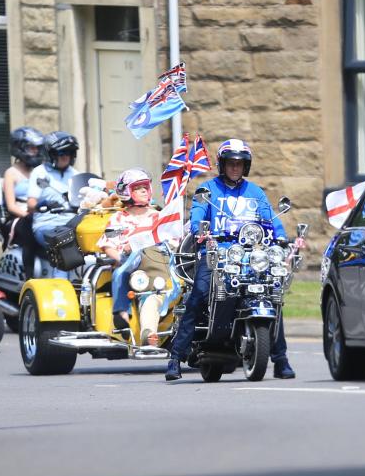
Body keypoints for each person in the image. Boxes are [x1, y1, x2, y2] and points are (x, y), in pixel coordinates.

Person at [166, 139, 299, 381]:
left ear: (245, 166)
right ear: (222, 165)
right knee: (199, 294)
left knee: (274, 295)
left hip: (251, 256)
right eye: (231, 163)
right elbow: (197, 215)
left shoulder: (255, 192)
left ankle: (280, 360)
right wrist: (200, 231)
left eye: (239, 164)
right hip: (217, 254)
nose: (235, 168)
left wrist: (281, 237)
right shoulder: (208, 190)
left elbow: (270, 219)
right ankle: (176, 357)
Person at [97, 168, 158, 332]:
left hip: (157, 263)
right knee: (119, 273)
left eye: (146, 186)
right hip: (130, 262)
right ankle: (121, 313)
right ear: (127, 192)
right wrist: (122, 259)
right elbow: (107, 244)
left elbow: (171, 241)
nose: (144, 190)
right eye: (138, 188)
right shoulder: (118, 219)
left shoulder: (157, 216)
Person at [27, 131, 80, 278]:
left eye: (69, 152)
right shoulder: (40, 173)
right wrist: (42, 204)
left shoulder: (75, 174)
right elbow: (30, 204)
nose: (65, 156)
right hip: (47, 225)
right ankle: (60, 291)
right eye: (61, 152)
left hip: (72, 225)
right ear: (51, 154)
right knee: (63, 244)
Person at [2, 127, 44, 277]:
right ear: (19, 148)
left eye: (37, 148)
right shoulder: (11, 173)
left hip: (40, 213)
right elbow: (11, 206)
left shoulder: (40, 171)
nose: (35, 152)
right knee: (30, 225)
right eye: (31, 148)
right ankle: (29, 275)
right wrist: (29, 214)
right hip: (18, 218)